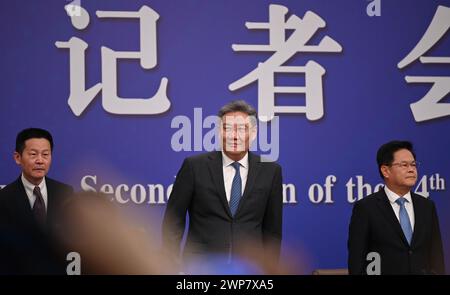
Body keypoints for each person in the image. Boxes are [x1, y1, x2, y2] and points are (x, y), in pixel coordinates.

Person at [162, 100, 283, 273]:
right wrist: (171, 266)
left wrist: (270, 272)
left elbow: (272, 231)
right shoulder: (194, 166)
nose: (234, 136)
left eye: (241, 129)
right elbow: (173, 221)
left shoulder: (271, 170)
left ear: (254, 132)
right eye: (228, 128)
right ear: (219, 131)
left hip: (250, 269)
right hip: (200, 268)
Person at [348, 140, 445, 274]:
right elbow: (357, 261)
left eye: (413, 165)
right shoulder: (366, 208)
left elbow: (436, 256)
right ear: (385, 171)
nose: (411, 169)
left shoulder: (427, 206)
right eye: (404, 165)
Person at [0, 128, 74, 274]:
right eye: (33, 154)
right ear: (17, 157)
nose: (40, 160)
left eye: (45, 154)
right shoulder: (4, 198)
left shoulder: (65, 193)